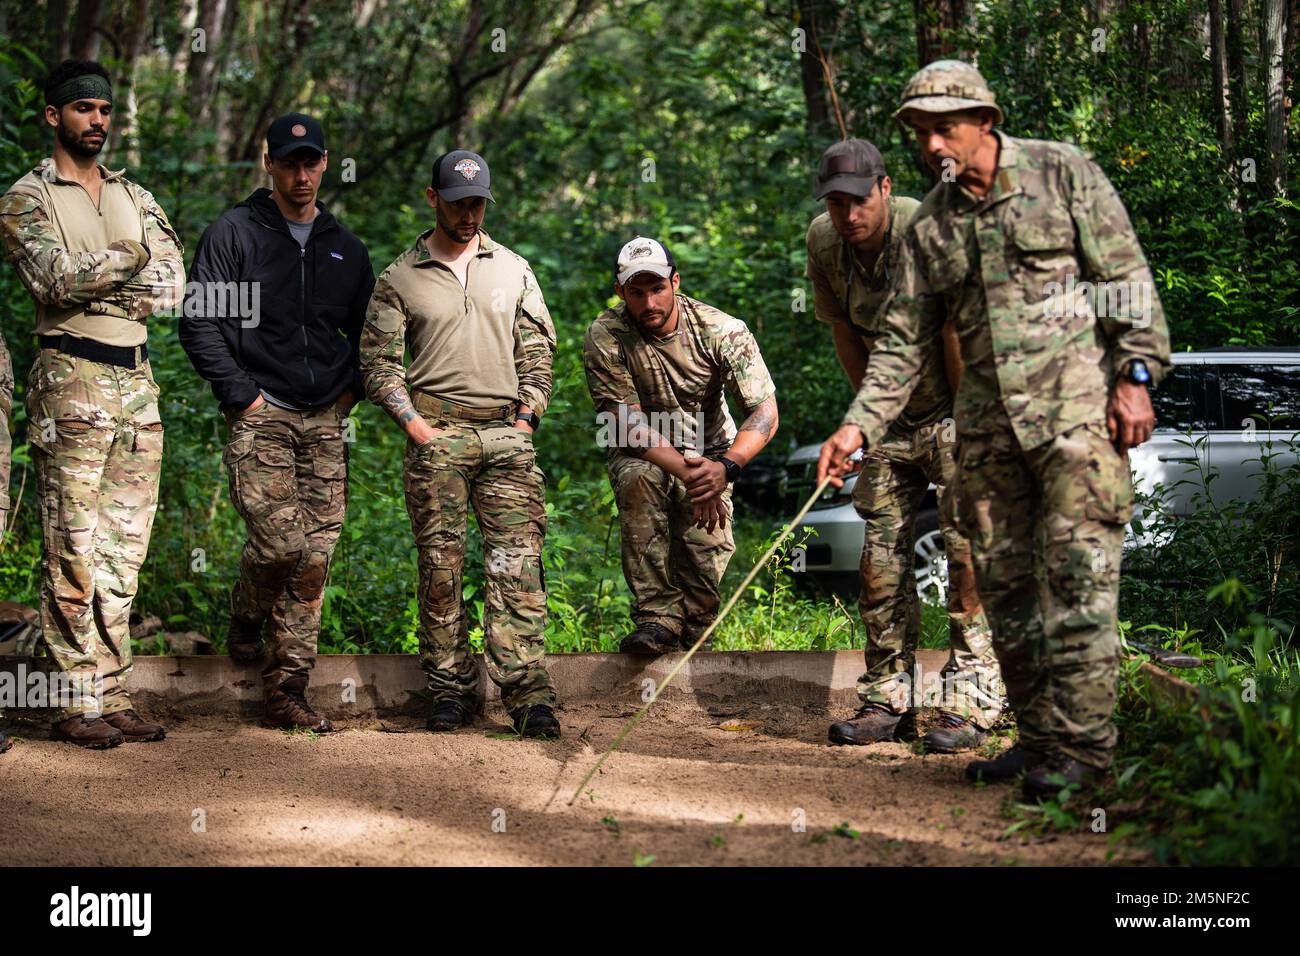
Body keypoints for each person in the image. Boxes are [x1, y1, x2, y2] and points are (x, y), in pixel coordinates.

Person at [817, 60, 1170, 799]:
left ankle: (1086, 756)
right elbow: (902, 347)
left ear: (986, 119)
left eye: (946, 127)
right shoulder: (933, 226)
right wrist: (857, 427)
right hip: (985, 438)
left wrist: (1136, 377)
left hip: (1076, 421)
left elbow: (1127, 279)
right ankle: (1038, 742)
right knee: (1005, 595)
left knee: (1078, 582)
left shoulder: (1061, 172)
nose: (934, 145)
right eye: (920, 133)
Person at [0, 59, 184, 748]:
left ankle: (112, 690)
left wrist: (105, 272)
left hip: (137, 384)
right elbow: (51, 280)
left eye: (104, 110)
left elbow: (170, 290)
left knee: (121, 554)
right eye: (83, 110)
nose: (97, 121)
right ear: (54, 117)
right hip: (69, 379)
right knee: (71, 549)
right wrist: (131, 257)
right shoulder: (26, 198)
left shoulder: (133, 194)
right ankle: (71, 700)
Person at [806, 138, 1003, 753]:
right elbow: (845, 331)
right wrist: (866, 420)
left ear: (886, 189)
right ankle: (887, 696)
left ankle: (974, 697)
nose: (848, 214)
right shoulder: (823, 242)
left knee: (968, 547)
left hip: (959, 397)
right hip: (892, 414)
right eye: (836, 203)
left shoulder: (927, 232)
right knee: (881, 555)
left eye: (859, 200)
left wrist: (965, 424)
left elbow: (954, 333)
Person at [180, 113, 374, 732]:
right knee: (282, 543)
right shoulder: (234, 235)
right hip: (262, 413)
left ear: (324, 164)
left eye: (310, 162)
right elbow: (199, 322)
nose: (301, 174)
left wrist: (350, 397)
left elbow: (374, 336)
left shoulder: (344, 246)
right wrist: (243, 398)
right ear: (269, 163)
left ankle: (287, 689)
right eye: (289, 162)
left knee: (315, 556)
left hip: (325, 421)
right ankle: (245, 610)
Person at [361, 149, 560, 738]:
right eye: (457, 202)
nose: (469, 214)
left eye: (477, 203)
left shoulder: (515, 268)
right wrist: (416, 428)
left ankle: (527, 694)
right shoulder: (400, 277)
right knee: (441, 567)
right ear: (433, 199)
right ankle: (449, 691)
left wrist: (527, 417)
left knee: (516, 565)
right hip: (436, 434)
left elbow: (539, 349)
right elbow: (377, 364)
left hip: (506, 433)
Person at [583, 237, 779, 655]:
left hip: (713, 452)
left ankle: (694, 634)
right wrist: (692, 475)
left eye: (657, 289)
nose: (648, 301)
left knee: (703, 559)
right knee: (640, 479)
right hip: (643, 450)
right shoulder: (607, 333)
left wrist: (724, 469)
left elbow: (764, 412)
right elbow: (624, 422)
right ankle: (657, 619)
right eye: (636, 292)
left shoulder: (721, 330)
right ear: (621, 292)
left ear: (675, 282)